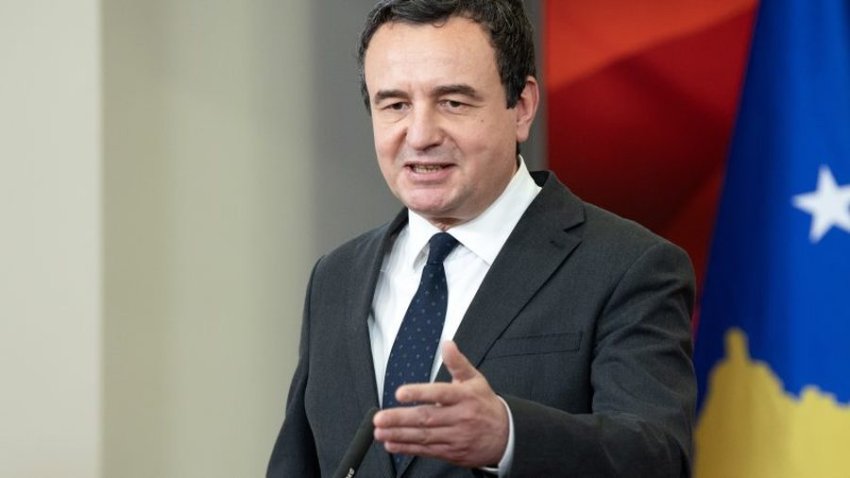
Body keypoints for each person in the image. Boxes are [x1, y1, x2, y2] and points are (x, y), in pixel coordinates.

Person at [267, 0, 696, 476]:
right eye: (395, 105)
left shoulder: (629, 267)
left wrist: (509, 437)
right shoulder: (336, 277)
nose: (420, 134)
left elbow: (659, 458)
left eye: (453, 102)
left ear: (522, 107)